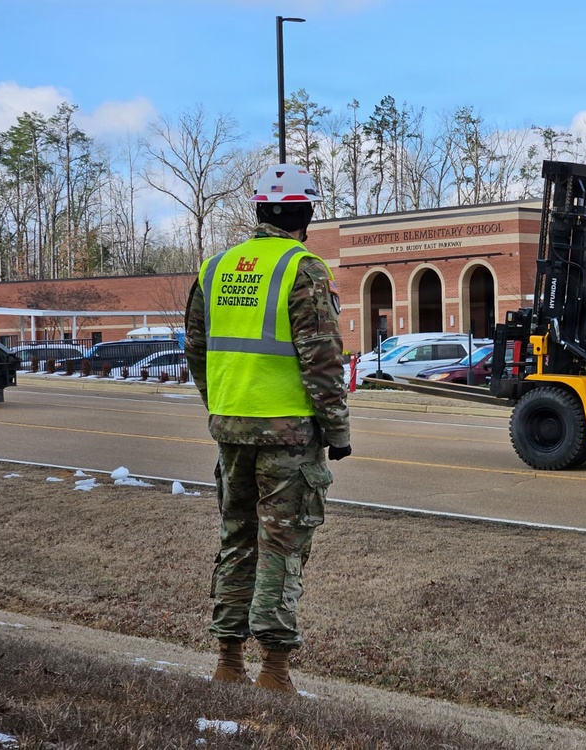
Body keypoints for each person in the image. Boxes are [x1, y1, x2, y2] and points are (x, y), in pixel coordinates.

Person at [184, 163, 351, 695]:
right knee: (281, 546)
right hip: (287, 436)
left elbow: (196, 350)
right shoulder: (303, 269)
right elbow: (321, 358)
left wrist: (221, 405)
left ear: (258, 209)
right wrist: (337, 429)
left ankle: (227, 662)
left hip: (231, 430)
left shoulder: (215, 268)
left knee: (236, 540)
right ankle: (274, 673)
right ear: (307, 214)